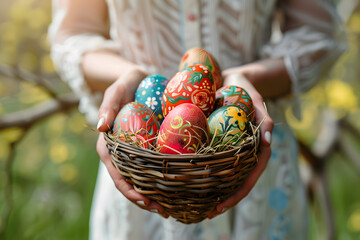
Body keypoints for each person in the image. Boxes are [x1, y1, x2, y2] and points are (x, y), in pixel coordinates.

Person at [48, 0, 346, 239]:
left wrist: (245, 79)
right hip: (142, 165)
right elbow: (74, 36)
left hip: (246, 154)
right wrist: (128, 80)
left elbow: (317, 35)